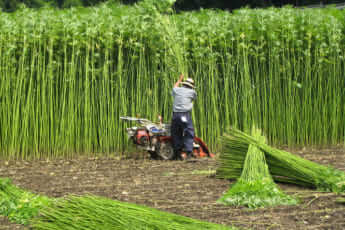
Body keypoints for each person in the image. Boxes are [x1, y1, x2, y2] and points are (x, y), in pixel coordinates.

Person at [171, 74, 197, 160]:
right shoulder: (192, 92)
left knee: (176, 133)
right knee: (188, 131)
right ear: (191, 86)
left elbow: (174, 87)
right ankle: (189, 153)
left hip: (175, 115)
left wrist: (179, 79)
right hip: (184, 115)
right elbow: (194, 99)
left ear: (184, 84)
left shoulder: (177, 90)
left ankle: (177, 154)